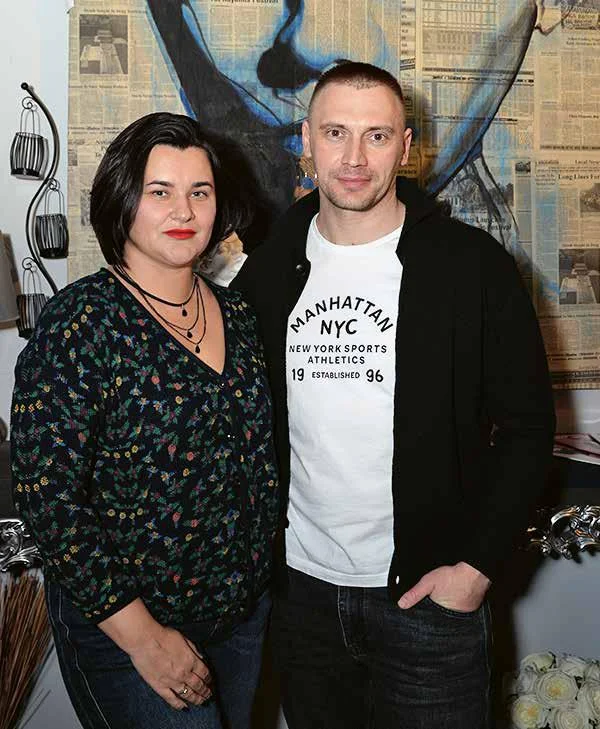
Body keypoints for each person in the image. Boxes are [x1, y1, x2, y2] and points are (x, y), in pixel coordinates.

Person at [232, 62, 556, 728]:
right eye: (336, 133)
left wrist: (475, 569)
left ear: (406, 148)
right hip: (303, 599)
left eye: (376, 136)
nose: (354, 158)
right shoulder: (265, 270)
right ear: (306, 140)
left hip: (428, 601)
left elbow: (528, 429)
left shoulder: (473, 267)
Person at [11, 112, 279, 729]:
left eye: (200, 191)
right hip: (132, 632)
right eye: (160, 191)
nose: (183, 210)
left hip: (241, 620)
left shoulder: (237, 315)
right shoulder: (82, 323)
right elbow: (47, 497)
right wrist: (144, 638)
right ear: (123, 200)